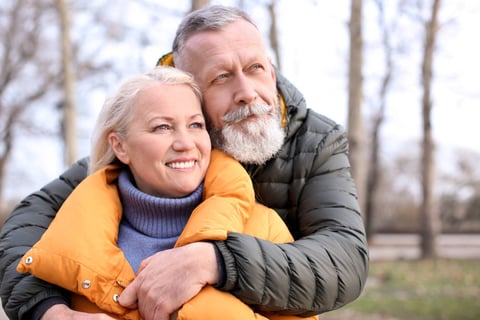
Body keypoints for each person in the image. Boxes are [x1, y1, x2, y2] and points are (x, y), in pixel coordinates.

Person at [0, 4, 369, 320]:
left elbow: (345, 260)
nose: (246, 93)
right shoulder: (143, 150)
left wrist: (215, 261)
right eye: (222, 77)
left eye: (255, 68)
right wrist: (47, 308)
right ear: (189, 92)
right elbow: (28, 224)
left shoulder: (316, 142)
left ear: (271, 72)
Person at [15, 66, 317, 320]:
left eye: (195, 125)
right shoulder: (69, 241)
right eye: (162, 128)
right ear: (120, 146)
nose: (186, 143)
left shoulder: (263, 229)